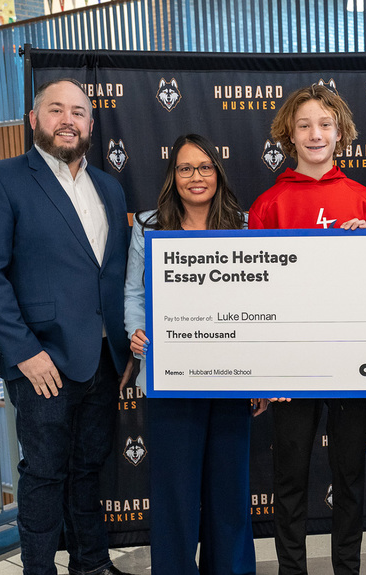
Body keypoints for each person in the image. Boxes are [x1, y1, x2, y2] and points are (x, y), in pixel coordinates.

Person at [0, 78, 131, 575]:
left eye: (78, 112)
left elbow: (112, 273)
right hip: (41, 360)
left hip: (103, 358)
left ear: (91, 125)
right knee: (43, 473)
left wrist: (124, 349)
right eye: (55, 110)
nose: (68, 120)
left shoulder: (109, 186)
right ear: (32, 120)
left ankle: (92, 564)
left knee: (88, 469)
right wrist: (23, 351)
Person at [248, 83, 366, 575]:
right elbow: (255, 293)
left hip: (352, 361)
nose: (314, 133)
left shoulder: (365, 200)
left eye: (324, 124)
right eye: (304, 124)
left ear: (340, 132)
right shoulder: (268, 206)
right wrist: (264, 368)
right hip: (291, 363)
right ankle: (292, 570)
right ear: (289, 133)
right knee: (289, 477)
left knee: (350, 474)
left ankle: (347, 568)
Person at [125, 133, 256, 575]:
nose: (195, 177)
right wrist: (136, 331)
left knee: (229, 495)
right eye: (185, 168)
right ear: (172, 176)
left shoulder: (242, 224)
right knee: (175, 497)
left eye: (204, 167)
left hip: (231, 379)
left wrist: (260, 375)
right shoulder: (148, 226)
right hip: (170, 379)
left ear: (217, 173)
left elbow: (260, 303)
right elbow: (132, 294)